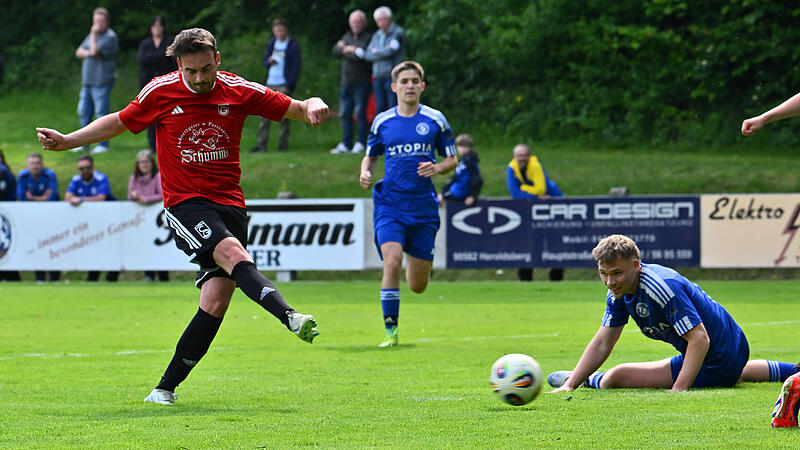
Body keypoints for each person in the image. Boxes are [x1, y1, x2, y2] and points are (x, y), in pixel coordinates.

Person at [37, 27, 327, 405]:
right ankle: (289, 316)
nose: (200, 78)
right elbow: (120, 121)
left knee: (216, 301)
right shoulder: (160, 91)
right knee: (234, 254)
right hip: (185, 204)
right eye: (191, 71)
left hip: (231, 206)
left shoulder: (238, 90)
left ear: (217, 60)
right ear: (179, 65)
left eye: (206, 69)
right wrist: (69, 140)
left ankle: (163, 390)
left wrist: (314, 102)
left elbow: (298, 107)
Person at [548, 234, 800, 394]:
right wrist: (569, 386)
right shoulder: (619, 291)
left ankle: (592, 380)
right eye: (603, 273)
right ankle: (794, 371)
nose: (609, 281)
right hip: (732, 348)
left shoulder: (659, 286)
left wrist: (679, 388)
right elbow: (603, 341)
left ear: (635, 265)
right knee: (735, 373)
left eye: (616, 273)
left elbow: (699, 339)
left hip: (715, 357)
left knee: (616, 376)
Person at [359, 61, 457, 347]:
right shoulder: (382, 121)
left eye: (415, 81)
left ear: (422, 86)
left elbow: (452, 159)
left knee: (417, 285)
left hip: (423, 209)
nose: (410, 86)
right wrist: (365, 172)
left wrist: (437, 168)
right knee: (391, 263)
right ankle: (391, 331)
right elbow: (371, 155)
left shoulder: (435, 120)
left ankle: (422, 261)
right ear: (394, 87)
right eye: (404, 81)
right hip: (390, 204)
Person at [506, 143, 563, 281]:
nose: (522, 158)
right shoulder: (511, 168)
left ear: (529, 156)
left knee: (554, 244)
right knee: (527, 244)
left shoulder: (536, 165)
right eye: (519, 155)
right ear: (514, 156)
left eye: (525, 155)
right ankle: (525, 278)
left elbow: (542, 189)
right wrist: (535, 197)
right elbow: (515, 193)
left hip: (549, 210)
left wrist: (524, 189)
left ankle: (556, 278)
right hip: (528, 212)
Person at [65, 155, 119, 282]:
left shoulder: (101, 178)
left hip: (110, 221)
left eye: (87, 168)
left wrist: (80, 199)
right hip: (92, 222)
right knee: (95, 249)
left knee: (110, 249)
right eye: (81, 169)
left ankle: (112, 277)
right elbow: (67, 197)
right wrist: (74, 199)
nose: (85, 171)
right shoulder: (76, 179)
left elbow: (101, 198)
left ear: (93, 168)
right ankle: (92, 279)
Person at [250, 18, 301, 152]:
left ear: (286, 29)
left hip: (284, 84)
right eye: (277, 30)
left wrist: (290, 84)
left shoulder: (292, 45)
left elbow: (296, 67)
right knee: (264, 115)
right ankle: (261, 145)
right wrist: (269, 61)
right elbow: (265, 62)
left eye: (281, 30)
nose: (279, 33)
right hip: (270, 83)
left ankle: (282, 146)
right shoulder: (272, 43)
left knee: (285, 115)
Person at [74, 7, 118, 155]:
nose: (97, 24)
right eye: (95, 21)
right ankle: (83, 143)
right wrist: (89, 50)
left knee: (101, 114)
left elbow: (93, 52)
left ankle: (103, 145)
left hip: (102, 82)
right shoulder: (92, 35)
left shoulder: (110, 37)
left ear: (107, 22)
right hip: (88, 81)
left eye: (100, 21)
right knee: (84, 112)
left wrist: (93, 34)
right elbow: (78, 52)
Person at [330, 9, 373, 155]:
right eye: (354, 21)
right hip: (346, 82)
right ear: (350, 23)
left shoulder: (368, 37)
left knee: (360, 113)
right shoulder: (347, 35)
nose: (356, 24)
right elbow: (335, 50)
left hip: (362, 81)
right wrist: (350, 49)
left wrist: (345, 49)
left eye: (358, 21)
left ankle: (361, 143)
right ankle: (346, 143)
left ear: (363, 23)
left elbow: (361, 56)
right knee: (345, 113)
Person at [17, 153, 61, 282]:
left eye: (37, 163)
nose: (35, 166)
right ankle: (40, 277)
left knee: (54, 245)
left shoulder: (49, 175)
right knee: (36, 246)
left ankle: (54, 278)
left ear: (42, 164)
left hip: (51, 217)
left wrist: (33, 198)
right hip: (32, 218)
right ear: (27, 165)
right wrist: (43, 198)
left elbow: (53, 197)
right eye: (32, 163)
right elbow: (22, 197)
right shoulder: (23, 176)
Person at [138, 15, 177, 153]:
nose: (157, 29)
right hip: (148, 83)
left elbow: (170, 58)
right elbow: (142, 59)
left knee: (168, 113)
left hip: (167, 84)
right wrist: (160, 56)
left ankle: (169, 142)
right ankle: (152, 145)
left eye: (159, 26)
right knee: (150, 114)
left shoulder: (170, 41)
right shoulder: (146, 43)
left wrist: (154, 57)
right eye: (154, 26)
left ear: (163, 27)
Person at [127, 149, 169, 282]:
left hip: (157, 219)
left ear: (152, 162)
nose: (144, 164)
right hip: (141, 218)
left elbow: (162, 194)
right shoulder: (134, 178)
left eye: (146, 161)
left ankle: (163, 277)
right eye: (141, 162)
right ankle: (148, 275)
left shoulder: (157, 176)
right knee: (145, 246)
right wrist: (134, 196)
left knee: (159, 248)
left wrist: (145, 199)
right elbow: (129, 195)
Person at [357, 6, 405, 114]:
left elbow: (391, 51)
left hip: (392, 76)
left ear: (390, 19)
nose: (382, 23)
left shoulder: (398, 33)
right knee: (380, 108)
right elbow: (367, 55)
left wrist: (375, 51)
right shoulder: (376, 35)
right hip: (377, 77)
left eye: (384, 19)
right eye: (379, 20)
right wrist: (381, 51)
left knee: (393, 107)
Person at [438, 133, 483, 206]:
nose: (462, 149)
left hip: (460, 193)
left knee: (435, 200)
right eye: (460, 146)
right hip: (456, 191)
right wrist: (443, 191)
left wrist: (473, 196)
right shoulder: (461, 161)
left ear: (470, 147)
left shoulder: (470, 160)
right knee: (439, 197)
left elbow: (477, 178)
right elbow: (455, 177)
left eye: (465, 147)